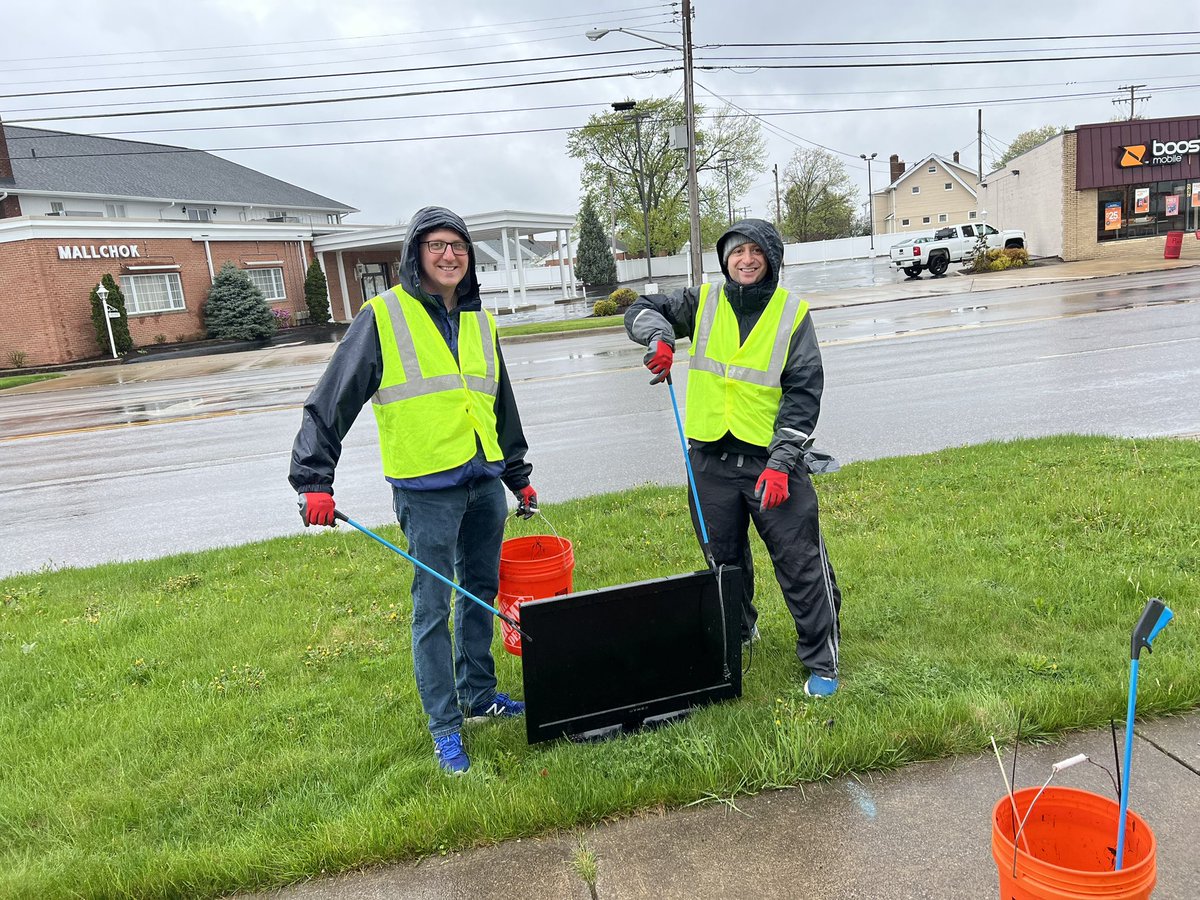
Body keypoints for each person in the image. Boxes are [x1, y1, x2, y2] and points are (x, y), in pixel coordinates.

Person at [289, 206, 538, 773]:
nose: (449, 255)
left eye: (459, 246)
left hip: (483, 482)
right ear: (415, 254)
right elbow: (332, 400)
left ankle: (478, 695)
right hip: (427, 490)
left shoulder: (481, 320)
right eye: (436, 246)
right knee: (432, 608)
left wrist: (517, 476)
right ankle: (445, 727)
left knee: (480, 592)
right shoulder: (383, 316)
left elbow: (501, 404)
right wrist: (313, 479)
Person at [624, 218, 843, 697]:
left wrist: (784, 461)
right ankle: (740, 631)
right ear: (725, 258)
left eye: (755, 252)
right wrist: (659, 338)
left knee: (800, 562)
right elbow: (641, 307)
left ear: (771, 260)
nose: (745, 260)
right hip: (709, 462)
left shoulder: (791, 313)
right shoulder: (702, 302)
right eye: (736, 251)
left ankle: (823, 659)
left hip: (769, 463)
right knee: (722, 562)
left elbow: (803, 391)